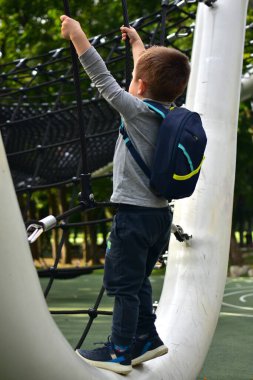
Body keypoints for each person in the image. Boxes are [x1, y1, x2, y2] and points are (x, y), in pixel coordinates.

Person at [60, 15, 190, 375]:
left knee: (123, 285)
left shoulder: (134, 110)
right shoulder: (167, 113)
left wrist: (78, 35)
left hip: (132, 217)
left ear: (140, 86)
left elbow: (101, 78)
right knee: (137, 281)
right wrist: (137, 46)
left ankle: (119, 350)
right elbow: (143, 76)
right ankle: (146, 338)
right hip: (160, 217)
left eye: (135, 78)